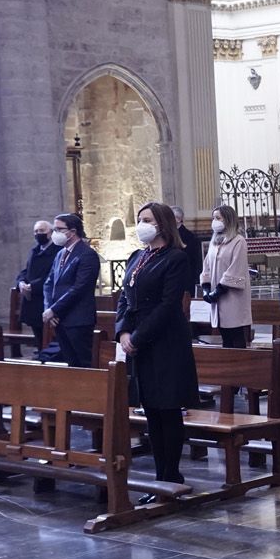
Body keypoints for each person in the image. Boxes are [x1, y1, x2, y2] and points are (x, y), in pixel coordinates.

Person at [116, 203, 200, 491]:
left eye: (147, 220)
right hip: (140, 344)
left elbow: (168, 305)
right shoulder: (137, 257)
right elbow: (125, 298)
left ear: (162, 224)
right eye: (139, 220)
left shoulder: (176, 258)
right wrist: (123, 331)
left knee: (167, 408)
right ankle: (159, 476)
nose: (142, 224)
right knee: (150, 409)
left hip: (165, 343)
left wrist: (137, 337)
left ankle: (171, 475)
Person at [39, 213, 99, 367]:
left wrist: (54, 310)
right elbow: (48, 283)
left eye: (59, 229)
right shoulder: (60, 253)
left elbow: (79, 288)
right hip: (60, 319)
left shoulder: (87, 254)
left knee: (84, 363)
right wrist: (49, 309)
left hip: (78, 319)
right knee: (70, 364)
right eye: (54, 229)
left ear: (72, 232)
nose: (55, 233)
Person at [200, 204, 252, 347]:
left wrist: (218, 290)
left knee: (235, 333)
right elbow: (207, 265)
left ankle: (239, 364)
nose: (214, 221)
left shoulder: (238, 241)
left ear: (228, 220)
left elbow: (236, 267)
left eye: (218, 218)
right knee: (224, 335)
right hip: (217, 298)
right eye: (213, 218)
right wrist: (206, 288)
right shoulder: (215, 242)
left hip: (232, 296)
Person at [14, 220, 54, 351]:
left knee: (49, 339)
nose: (38, 234)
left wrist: (33, 285)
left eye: (42, 231)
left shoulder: (57, 251)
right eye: (36, 231)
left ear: (50, 232)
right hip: (31, 300)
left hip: (45, 299)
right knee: (38, 337)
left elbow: (52, 276)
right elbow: (26, 270)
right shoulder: (34, 251)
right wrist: (20, 282)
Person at [170, 208, 205, 292]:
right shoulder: (167, 235)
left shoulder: (190, 237)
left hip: (184, 278)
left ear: (178, 219)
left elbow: (195, 260)